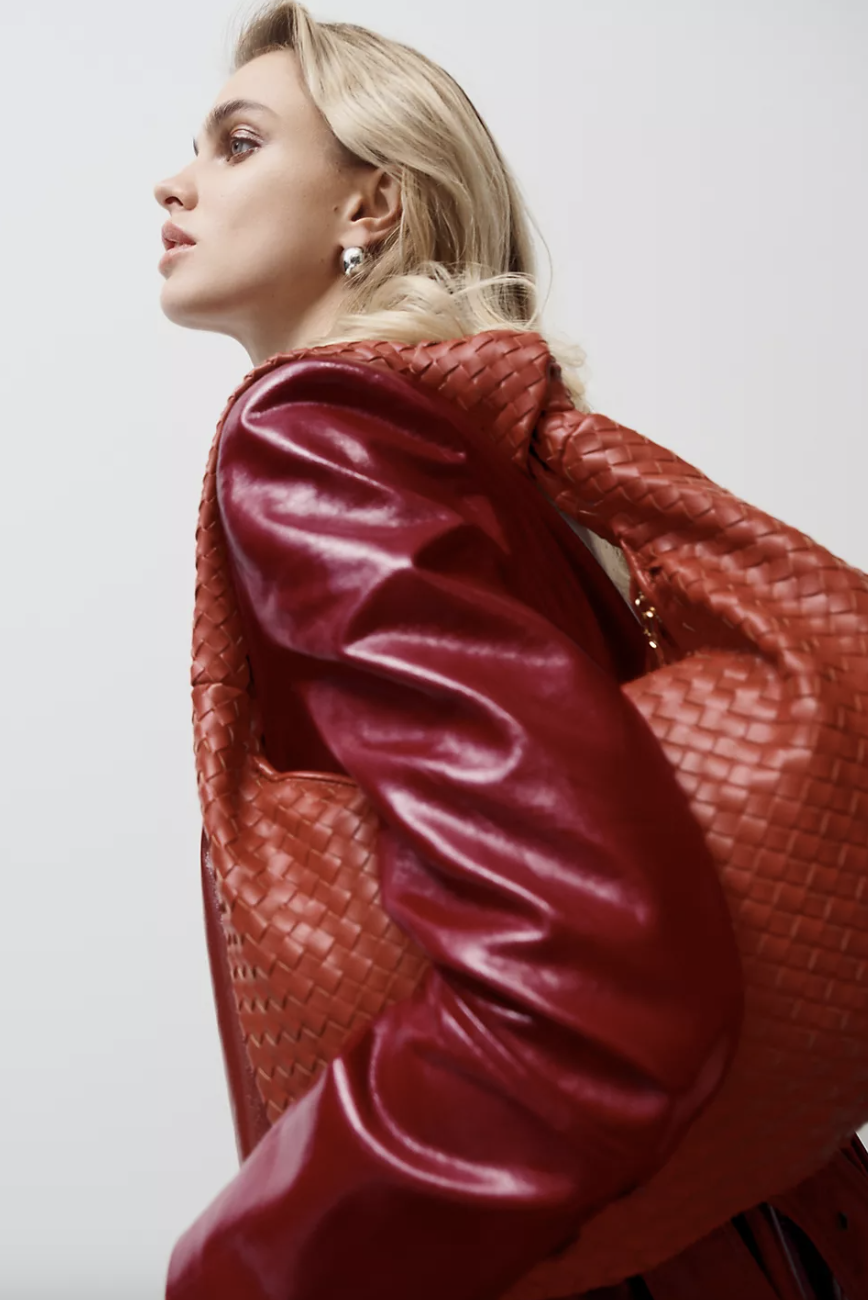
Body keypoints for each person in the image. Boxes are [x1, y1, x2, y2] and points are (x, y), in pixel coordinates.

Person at [153, 4, 868, 1297]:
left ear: (370, 203)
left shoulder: (317, 438)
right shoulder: (472, 450)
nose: (177, 176)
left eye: (240, 140)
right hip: (760, 1230)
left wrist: (247, 1270)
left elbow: (585, 973)